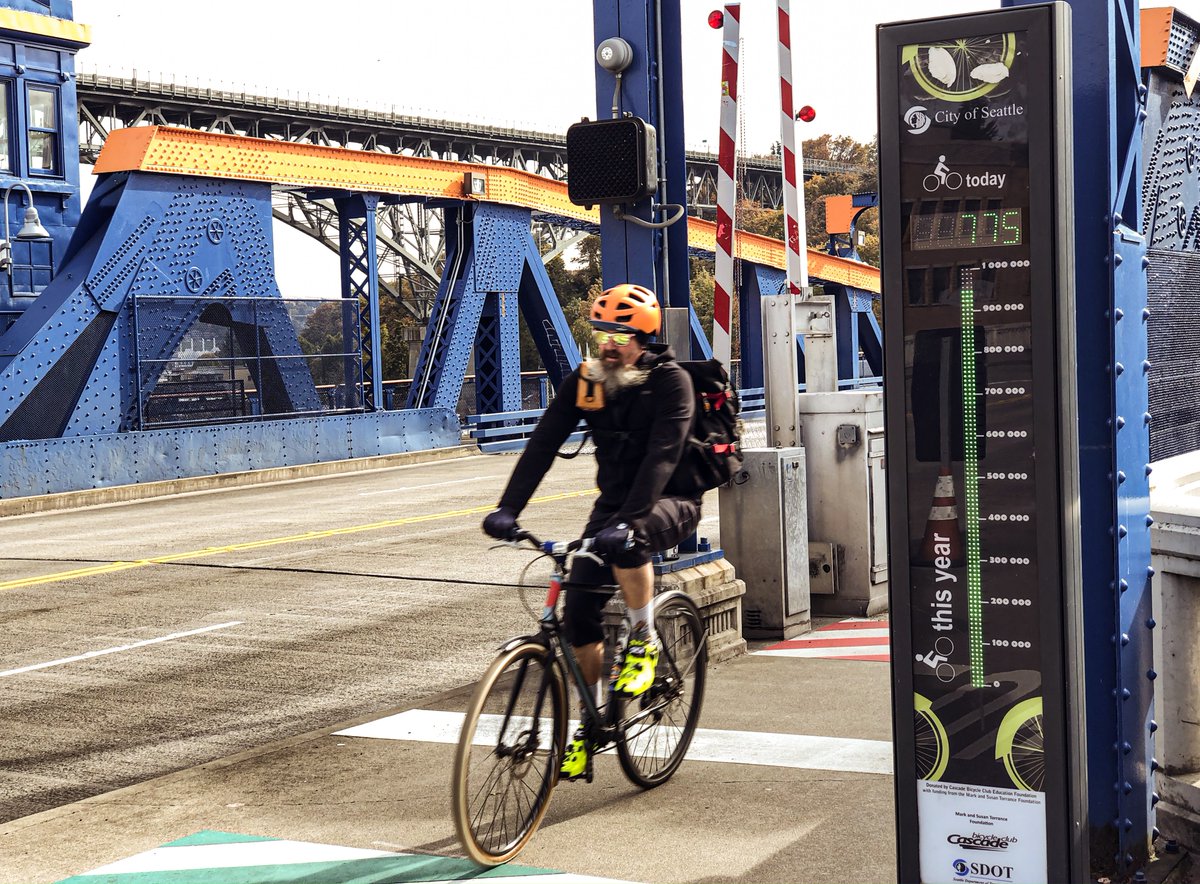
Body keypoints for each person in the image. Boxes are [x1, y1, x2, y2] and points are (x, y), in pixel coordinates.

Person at [482, 283, 701, 781]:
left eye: (620, 334)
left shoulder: (670, 383)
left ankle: (644, 639)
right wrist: (508, 509)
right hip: (613, 505)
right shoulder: (588, 381)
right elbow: (542, 445)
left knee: (630, 545)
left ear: (643, 338)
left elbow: (662, 458)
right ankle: (591, 719)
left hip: (672, 497)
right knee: (578, 611)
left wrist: (629, 521)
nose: (608, 342)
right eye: (601, 331)